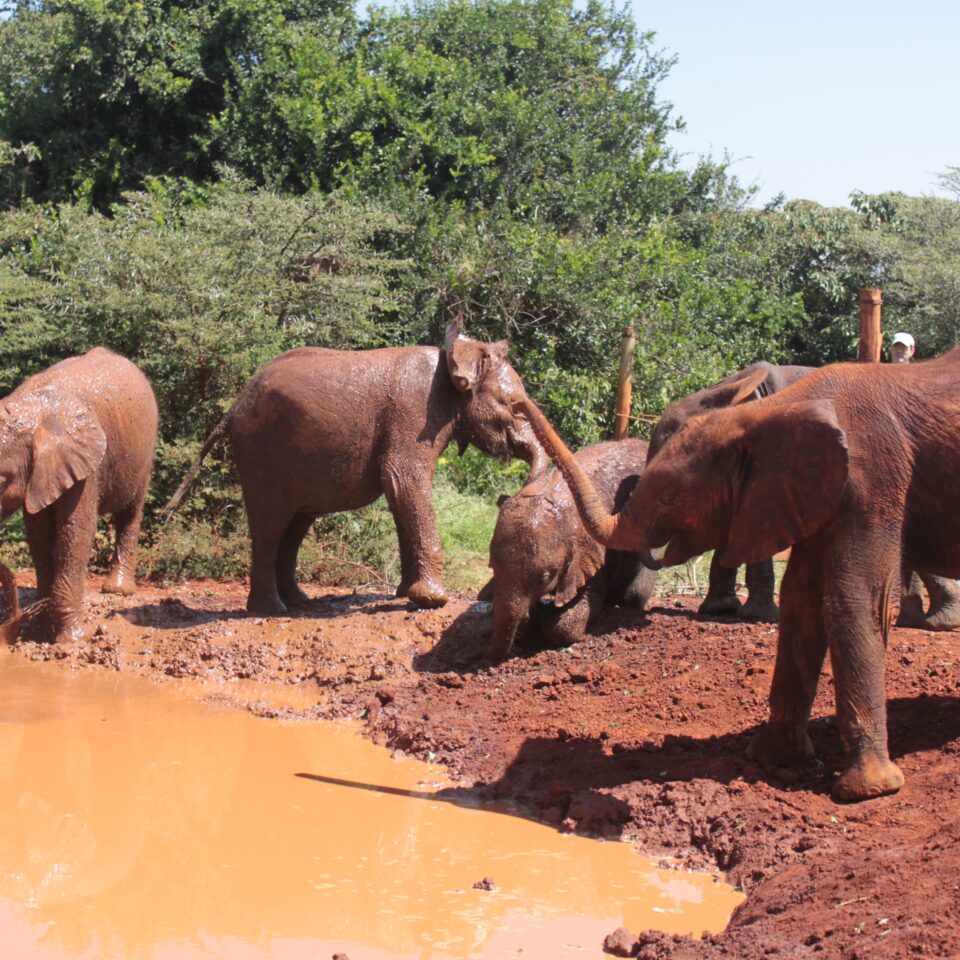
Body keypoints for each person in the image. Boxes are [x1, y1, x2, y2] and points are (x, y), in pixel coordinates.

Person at [888, 330, 960, 628]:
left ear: (913, 351)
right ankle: (909, 604)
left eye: (903, 348)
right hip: (897, 454)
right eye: (895, 347)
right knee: (898, 530)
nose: (899, 352)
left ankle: (948, 598)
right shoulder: (882, 374)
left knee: (912, 527)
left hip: (918, 455)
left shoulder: (919, 378)